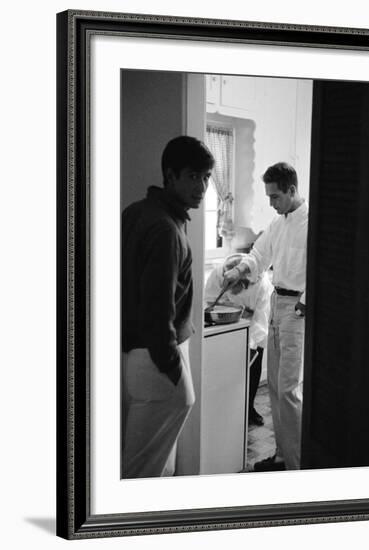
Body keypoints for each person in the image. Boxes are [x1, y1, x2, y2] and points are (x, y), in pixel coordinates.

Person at [121, 135, 215, 478]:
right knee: (142, 471)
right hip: (156, 358)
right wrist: (175, 370)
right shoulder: (165, 229)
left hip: (137, 356)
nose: (202, 186)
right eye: (193, 176)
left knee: (153, 462)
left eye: (206, 177)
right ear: (170, 175)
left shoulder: (136, 212)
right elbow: (157, 311)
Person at [223, 162, 308, 471]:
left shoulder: (312, 221)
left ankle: (297, 467)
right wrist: (239, 270)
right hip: (277, 303)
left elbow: (322, 268)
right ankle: (282, 456)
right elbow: (259, 255)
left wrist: (304, 304)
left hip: (298, 309)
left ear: (292, 190)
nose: (271, 203)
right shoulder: (279, 223)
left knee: (289, 391)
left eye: (275, 197)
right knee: (273, 387)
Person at [204, 253, 273, 426]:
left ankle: (249, 408)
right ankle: (227, 409)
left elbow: (261, 318)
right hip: (226, 326)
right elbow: (209, 301)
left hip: (255, 326)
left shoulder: (261, 284)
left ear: (245, 282)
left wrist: (252, 345)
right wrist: (236, 309)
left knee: (253, 368)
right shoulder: (219, 274)